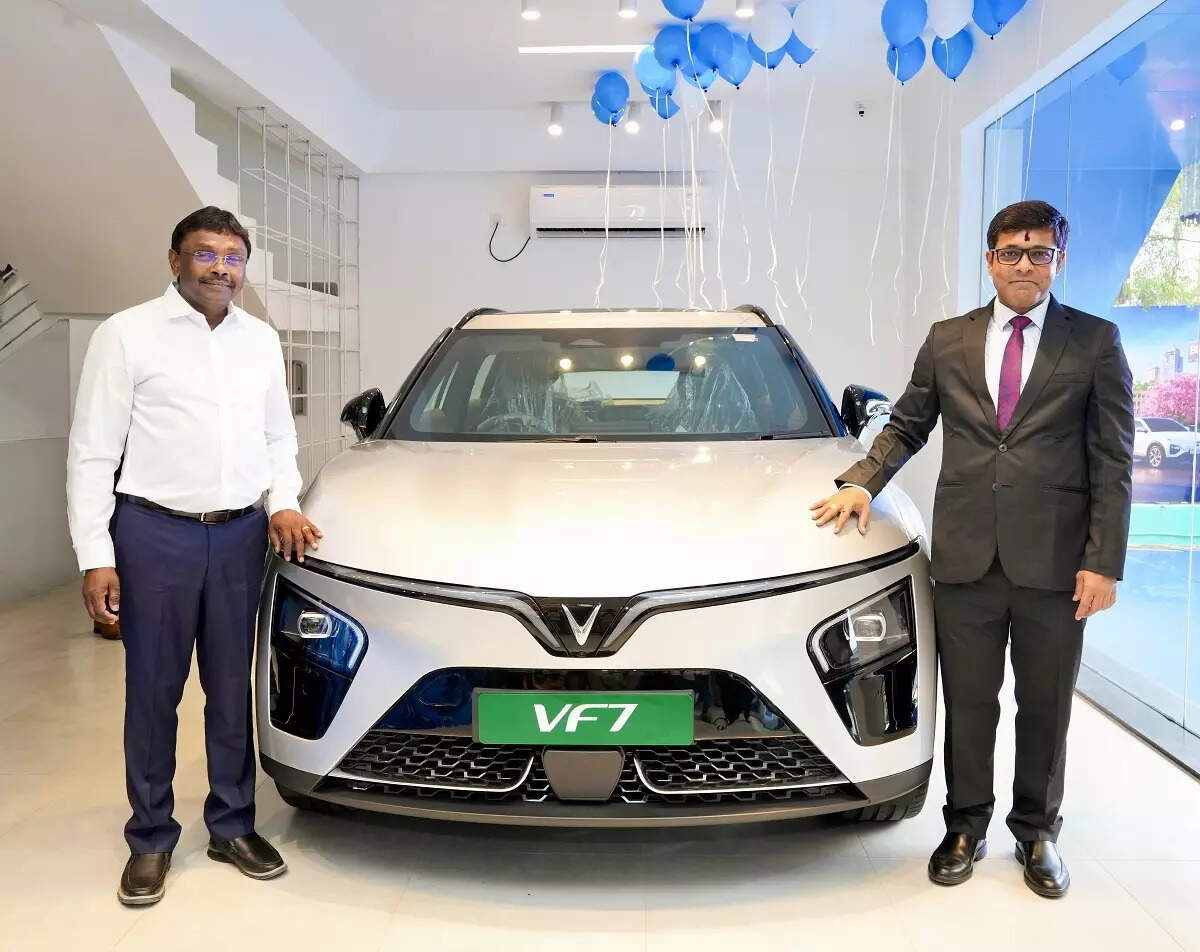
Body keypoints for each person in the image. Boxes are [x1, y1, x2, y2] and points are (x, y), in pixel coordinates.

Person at [811, 200, 1133, 899]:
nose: (1024, 265)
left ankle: (1037, 832)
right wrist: (861, 483)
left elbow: (1113, 459)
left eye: (1039, 253)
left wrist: (1104, 561)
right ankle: (964, 825)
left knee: (1045, 705)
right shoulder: (948, 340)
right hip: (965, 559)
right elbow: (907, 424)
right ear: (990, 260)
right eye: (1011, 252)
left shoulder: (1095, 342)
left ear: (1058, 261)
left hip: (1056, 563)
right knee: (969, 703)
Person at [67, 206, 323, 906]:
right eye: (206, 253)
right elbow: (92, 452)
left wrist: (283, 502)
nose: (220, 268)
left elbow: (278, 439)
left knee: (231, 688)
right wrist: (96, 553)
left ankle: (232, 825)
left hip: (241, 535)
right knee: (154, 689)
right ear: (175, 259)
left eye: (233, 257)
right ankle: (151, 836)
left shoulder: (260, 340)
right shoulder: (127, 335)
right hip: (154, 534)